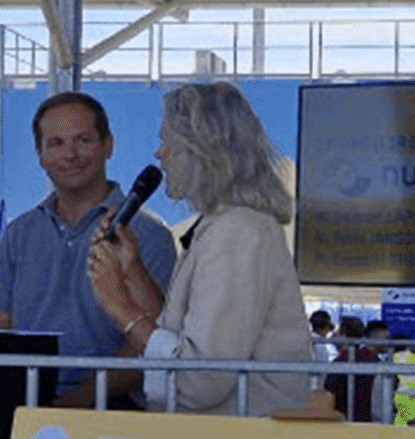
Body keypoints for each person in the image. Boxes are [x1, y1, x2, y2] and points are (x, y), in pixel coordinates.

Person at [86, 82, 313, 416]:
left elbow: (200, 379)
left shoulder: (239, 232)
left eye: (167, 142)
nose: (159, 155)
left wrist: (120, 307)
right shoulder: (224, 226)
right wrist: (132, 271)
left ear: (201, 149)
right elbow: (176, 336)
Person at [0, 91, 177, 406]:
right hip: (25, 402)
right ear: (40, 155)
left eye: (83, 140)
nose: (70, 154)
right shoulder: (18, 235)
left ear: (108, 146)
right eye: (56, 143)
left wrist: (73, 404)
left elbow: (152, 341)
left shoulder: (148, 235)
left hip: (114, 410)